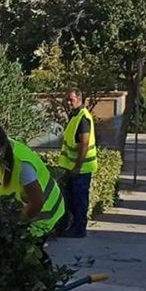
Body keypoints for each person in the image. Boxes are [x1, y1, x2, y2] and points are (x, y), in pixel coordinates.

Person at [0, 125, 67, 238]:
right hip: (32, 212)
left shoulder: (23, 166)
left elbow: (36, 203)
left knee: (26, 249)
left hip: (45, 216)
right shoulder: (3, 152)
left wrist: (15, 222)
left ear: (0, 146)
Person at [55, 89, 97, 238]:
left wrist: (77, 167)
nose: (68, 102)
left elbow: (84, 145)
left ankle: (79, 229)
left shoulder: (83, 118)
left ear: (79, 98)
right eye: (66, 99)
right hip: (73, 167)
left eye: (71, 100)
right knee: (73, 199)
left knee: (79, 200)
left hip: (81, 169)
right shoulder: (75, 116)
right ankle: (75, 226)